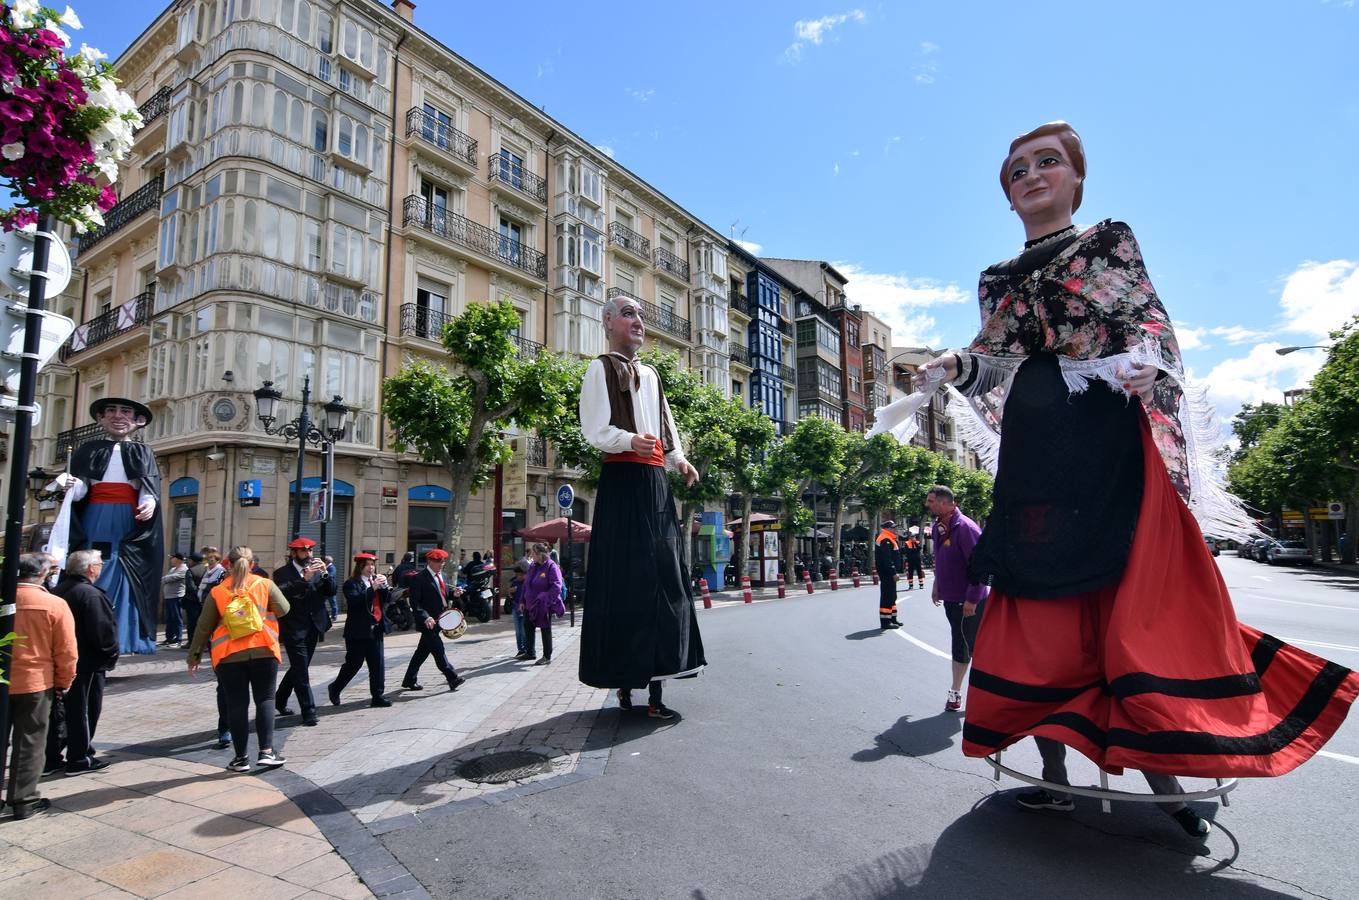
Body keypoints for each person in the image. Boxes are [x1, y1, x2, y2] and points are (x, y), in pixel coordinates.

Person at [910, 121, 1359, 837]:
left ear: (1075, 179)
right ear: (1007, 194)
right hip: (1037, 455)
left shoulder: (1110, 242)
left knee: (1128, 610)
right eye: (1017, 169)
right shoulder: (996, 280)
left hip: (1110, 441)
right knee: (1038, 614)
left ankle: (1169, 782)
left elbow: (1148, 327)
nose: (1030, 175)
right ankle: (1055, 779)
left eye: (1046, 162)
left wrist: (1151, 368)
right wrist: (945, 368)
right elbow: (992, 359)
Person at [578, 292, 705, 719]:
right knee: (625, 581)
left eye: (641, 315)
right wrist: (628, 440)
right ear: (609, 321)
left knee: (664, 581)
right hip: (622, 479)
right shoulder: (598, 368)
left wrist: (679, 460)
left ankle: (655, 691)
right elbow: (595, 429)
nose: (638, 321)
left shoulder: (651, 374)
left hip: (655, 483)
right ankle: (624, 686)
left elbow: (664, 427)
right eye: (629, 313)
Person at [46, 398, 163, 655]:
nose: (117, 416)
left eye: (125, 412)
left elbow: (148, 488)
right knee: (91, 564)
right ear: (100, 418)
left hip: (128, 521)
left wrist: (149, 503)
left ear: (138, 421)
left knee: (124, 573)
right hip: (95, 516)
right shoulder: (89, 450)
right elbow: (81, 491)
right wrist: (70, 485)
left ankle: (121, 638)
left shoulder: (143, 452)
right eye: (111, 411)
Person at [187, 546, 289, 772]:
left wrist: (193, 656)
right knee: (265, 700)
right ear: (252, 564)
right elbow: (284, 609)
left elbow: (203, 627)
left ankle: (241, 758)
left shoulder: (218, 591)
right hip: (263, 650)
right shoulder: (264, 584)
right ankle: (266, 752)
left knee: (236, 705)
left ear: (228, 565)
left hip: (228, 656)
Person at [6, 554, 77, 819]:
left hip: (5, 679)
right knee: (30, 741)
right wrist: (63, 683)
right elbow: (67, 651)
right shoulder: (53, 604)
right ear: (43, 574)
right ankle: (23, 800)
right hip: (35, 682)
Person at [48, 550, 119, 776]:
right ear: (90, 569)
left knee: (61, 712)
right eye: (99, 563)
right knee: (84, 710)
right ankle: (80, 758)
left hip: (61, 661)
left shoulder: (58, 591)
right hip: (86, 663)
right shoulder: (89, 594)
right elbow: (102, 632)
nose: (101, 567)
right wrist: (110, 655)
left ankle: (52, 758)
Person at [925, 488, 988, 712]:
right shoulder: (938, 527)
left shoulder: (966, 528)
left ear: (945, 503)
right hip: (952, 600)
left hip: (969, 602)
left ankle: (957, 693)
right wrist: (937, 584)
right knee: (965, 645)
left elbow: (980, 567)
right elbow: (940, 559)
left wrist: (972, 599)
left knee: (968, 647)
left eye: (931, 501)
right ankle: (969, 692)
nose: (928, 505)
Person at [272, 537, 336, 726]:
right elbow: (282, 592)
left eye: (310, 551)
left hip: (314, 626)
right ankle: (309, 711)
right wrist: (303, 580)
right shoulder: (282, 573)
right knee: (301, 671)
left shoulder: (318, 570)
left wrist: (325, 574)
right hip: (294, 627)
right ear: (294, 553)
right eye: (303, 552)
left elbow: (331, 591)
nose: (308, 555)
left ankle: (280, 699)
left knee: (300, 668)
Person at [329, 552, 393, 707]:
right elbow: (355, 601)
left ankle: (377, 696)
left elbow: (387, 600)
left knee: (377, 664)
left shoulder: (375, 581)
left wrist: (385, 587)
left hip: (376, 627)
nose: (371, 568)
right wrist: (373, 588)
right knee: (354, 664)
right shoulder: (351, 583)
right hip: (358, 630)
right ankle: (335, 687)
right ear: (360, 567)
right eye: (367, 565)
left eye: (372, 565)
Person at [401, 548, 466, 692]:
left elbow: (444, 595)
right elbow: (415, 602)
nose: (441, 564)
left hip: (441, 619)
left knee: (421, 652)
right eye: (438, 561)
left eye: (443, 561)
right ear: (429, 561)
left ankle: (409, 679)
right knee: (438, 650)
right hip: (427, 622)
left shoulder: (444, 575)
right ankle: (452, 678)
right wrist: (426, 617)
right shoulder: (419, 578)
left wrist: (454, 595)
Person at [522, 543, 566, 665]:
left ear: (540, 554)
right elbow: (526, 584)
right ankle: (530, 652)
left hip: (543, 605)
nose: (531, 556)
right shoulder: (533, 566)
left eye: (533, 553)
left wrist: (544, 597)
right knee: (528, 626)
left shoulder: (551, 567)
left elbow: (557, 586)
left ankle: (547, 656)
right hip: (529, 604)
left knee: (545, 629)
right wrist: (522, 600)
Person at [874, 521, 901, 630]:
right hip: (887, 573)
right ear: (888, 528)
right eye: (893, 528)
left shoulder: (890, 538)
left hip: (889, 572)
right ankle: (885, 622)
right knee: (887, 596)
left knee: (892, 596)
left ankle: (893, 618)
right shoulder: (885, 539)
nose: (895, 529)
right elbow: (887, 559)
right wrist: (893, 572)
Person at [161, 553, 190, 648]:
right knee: (169, 619)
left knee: (177, 618)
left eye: (172, 558)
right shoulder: (173, 569)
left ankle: (178, 639)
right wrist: (165, 579)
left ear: (178, 560)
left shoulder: (184, 569)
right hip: (169, 597)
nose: (171, 560)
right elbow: (165, 579)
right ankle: (169, 638)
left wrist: (164, 579)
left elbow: (169, 578)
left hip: (177, 597)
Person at [510, 556, 531, 661]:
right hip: (515, 607)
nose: (518, 576)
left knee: (523, 631)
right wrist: (511, 591)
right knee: (518, 631)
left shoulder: (527, 583)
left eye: (521, 574)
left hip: (524, 608)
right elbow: (510, 592)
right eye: (517, 574)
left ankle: (527, 649)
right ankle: (520, 649)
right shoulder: (515, 582)